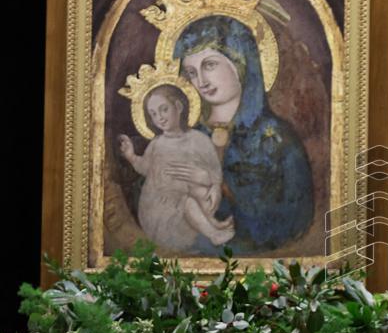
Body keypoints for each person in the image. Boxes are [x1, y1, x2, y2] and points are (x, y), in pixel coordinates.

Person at [173, 15, 314, 254]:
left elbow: (296, 217)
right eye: (191, 72)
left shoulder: (277, 139)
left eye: (209, 65)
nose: (201, 81)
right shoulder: (186, 136)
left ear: (241, 62)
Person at [118, 84, 235, 251]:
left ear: (179, 107)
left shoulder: (199, 140)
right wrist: (131, 156)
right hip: (159, 208)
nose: (160, 118)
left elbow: (214, 169)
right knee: (187, 201)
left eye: (164, 109)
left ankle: (213, 222)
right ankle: (213, 233)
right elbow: (145, 168)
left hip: (188, 200)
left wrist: (214, 185)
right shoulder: (157, 144)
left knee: (200, 191)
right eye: (153, 114)